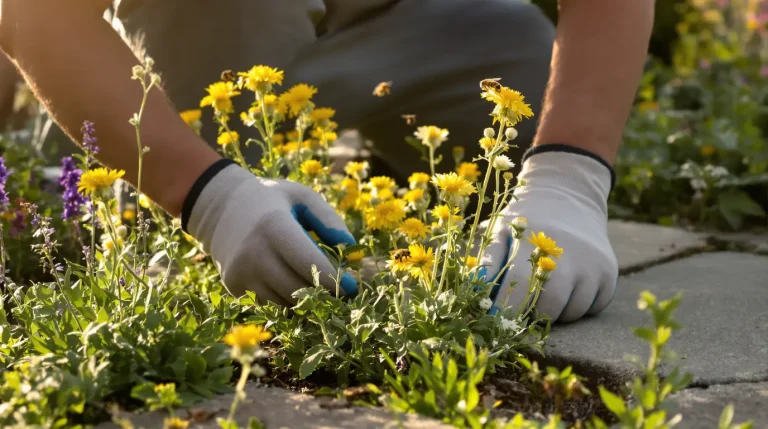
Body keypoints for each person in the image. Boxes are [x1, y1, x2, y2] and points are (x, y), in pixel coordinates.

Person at [0, 0, 654, 322]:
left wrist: (571, 173)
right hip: (211, 17)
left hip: (394, 14)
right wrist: (206, 195)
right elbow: (35, 11)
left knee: (526, 68)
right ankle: (111, 146)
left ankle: (342, 165)